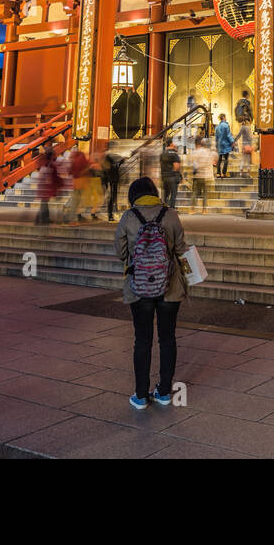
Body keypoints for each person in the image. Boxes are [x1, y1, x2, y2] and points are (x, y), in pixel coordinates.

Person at [115, 176, 188, 410]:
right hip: (170, 285)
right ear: (154, 192)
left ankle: (140, 395)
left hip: (139, 287)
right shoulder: (171, 215)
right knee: (167, 338)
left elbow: (121, 252)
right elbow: (180, 249)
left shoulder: (128, 217)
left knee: (142, 340)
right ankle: (164, 392)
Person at [188, 136, 216, 213]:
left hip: (197, 175)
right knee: (205, 193)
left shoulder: (194, 152)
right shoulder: (207, 152)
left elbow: (191, 163)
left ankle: (192, 209)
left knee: (194, 192)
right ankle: (204, 210)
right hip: (205, 175)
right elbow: (211, 162)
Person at [101, 143, 125, 222]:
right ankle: (110, 214)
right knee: (112, 197)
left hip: (112, 180)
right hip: (111, 180)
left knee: (112, 197)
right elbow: (109, 169)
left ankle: (111, 213)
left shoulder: (108, 158)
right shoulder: (109, 158)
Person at [35, 147, 57, 226]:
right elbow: (52, 177)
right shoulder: (50, 165)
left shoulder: (44, 163)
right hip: (46, 186)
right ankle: (41, 219)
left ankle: (43, 218)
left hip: (42, 186)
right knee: (44, 203)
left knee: (44, 203)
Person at [159, 138, 182, 208]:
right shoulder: (174, 154)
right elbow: (176, 167)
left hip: (164, 176)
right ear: (171, 144)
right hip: (172, 177)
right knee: (173, 195)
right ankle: (171, 209)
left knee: (166, 194)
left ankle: (165, 209)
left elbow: (160, 164)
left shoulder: (162, 154)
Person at [214, 112, 234, 177]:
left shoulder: (217, 127)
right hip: (226, 144)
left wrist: (216, 146)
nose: (226, 118)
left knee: (219, 159)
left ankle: (218, 173)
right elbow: (228, 135)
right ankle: (223, 173)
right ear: (224, 117)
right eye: (225, 117)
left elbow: (216, 138)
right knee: (226, 159)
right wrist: (232, 141)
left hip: (220, 145)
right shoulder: (226, 125)